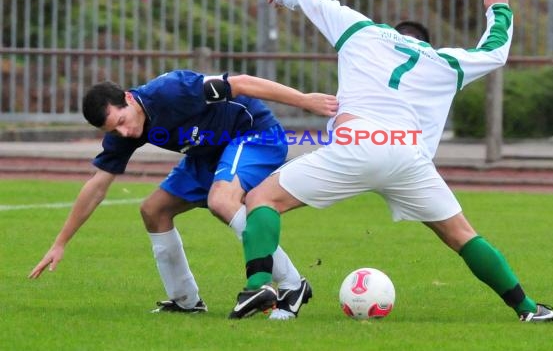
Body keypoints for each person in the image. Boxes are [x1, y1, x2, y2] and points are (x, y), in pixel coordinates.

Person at [228, 0, 553, 323]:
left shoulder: (362, 30)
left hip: (358, 144)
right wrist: (499, 7)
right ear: (425, 43)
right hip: (409, 157)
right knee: (462, 235)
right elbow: (495, 52)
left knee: (262, 199)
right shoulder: (445, 62)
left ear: (392, 31)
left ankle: (257, 285)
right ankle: (527, 309)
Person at [29, 70, 338, 318]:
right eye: (113, 131)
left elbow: (241, 84)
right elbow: (97, 185)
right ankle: (186, 301)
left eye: (121, 122)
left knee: (221, 200)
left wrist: (305, 101)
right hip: (206, 155)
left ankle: (291, 285)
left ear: (128, 98)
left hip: (254, 133)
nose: (123, 133)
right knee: (153, 211)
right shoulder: (124, 130)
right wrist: (60, 242)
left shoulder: (172, 90)